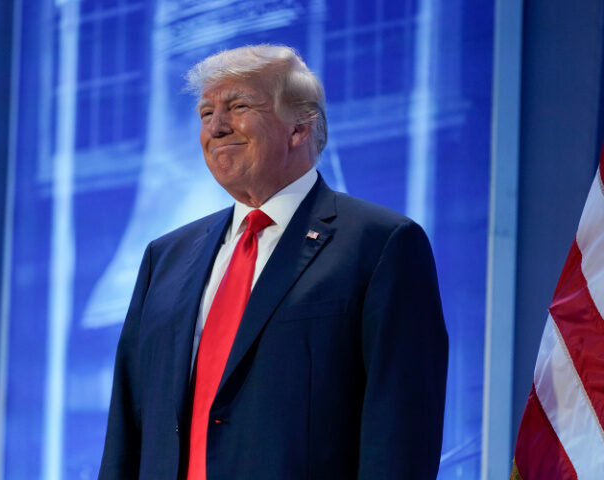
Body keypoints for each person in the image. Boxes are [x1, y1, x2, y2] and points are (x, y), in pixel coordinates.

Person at [98, 44, 448, 480]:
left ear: (300, 128)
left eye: (238, 106)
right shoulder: (164, 258)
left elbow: (400, 431)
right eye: (206, 114)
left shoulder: (381, 244)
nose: (217, 127)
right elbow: (128, 426)